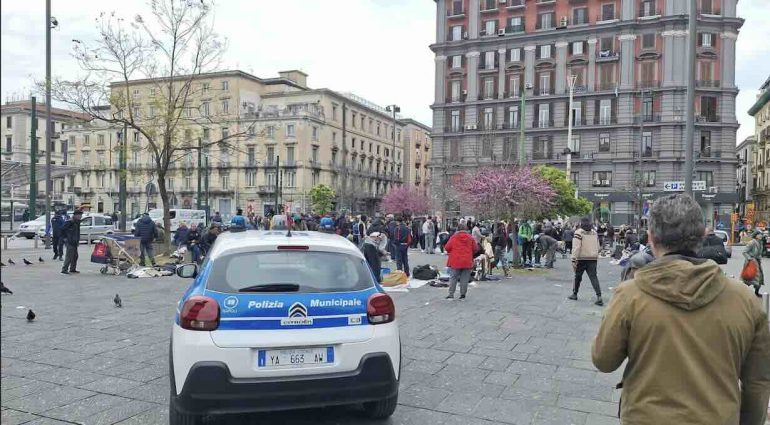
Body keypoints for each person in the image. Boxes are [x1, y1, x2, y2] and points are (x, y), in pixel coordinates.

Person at [592, 193, 770, 425]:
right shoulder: (745, 300)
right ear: (703, 236)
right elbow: (758, 381)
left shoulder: (630, 295)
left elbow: (604, 361)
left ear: (651, 238)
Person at [568, 217, 603, 306]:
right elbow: (598, 246)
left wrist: (573, 259)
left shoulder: (578, 232)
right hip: (593, 258)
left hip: (581, 258)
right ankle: (599, 296)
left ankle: (575, 294)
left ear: (581, 223)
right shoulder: (594, 232)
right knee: (593, 277)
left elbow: (576, 247)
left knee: (578, 276)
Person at [445, 222, 478, 300]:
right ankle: (462, 295)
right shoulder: (470, 238)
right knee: (465, 278)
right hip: (467, 261)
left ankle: (451, 294)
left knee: (453, 277)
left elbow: (447, 247)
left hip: (455, 261)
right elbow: (475, 249)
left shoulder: (454, 237)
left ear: (458, 229)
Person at [743, 230, 765, 297]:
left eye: (761, 234)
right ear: (755, 235)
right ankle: (743, 292)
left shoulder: (760, 242)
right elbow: (744, 252)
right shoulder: (752, 242)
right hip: (751, 262)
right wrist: (750, 258)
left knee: (760, 277)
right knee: (749, 276)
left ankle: (756, 292)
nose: (760, 235)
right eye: (759, 234)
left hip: (757, 261)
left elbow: (760, 252)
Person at [60, 210, 83, 274]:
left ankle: (72, 269)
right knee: (69, 256)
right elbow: (62, 229)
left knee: (75, 256)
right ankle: (64, 269)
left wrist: (77, 240)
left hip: (75, 241)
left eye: (81, 215)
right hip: (70, 241)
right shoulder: (70, 222)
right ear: (75, 215)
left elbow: (77, 232)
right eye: (79, 215)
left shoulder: (77, 222)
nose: (80, 216)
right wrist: (65, 238)